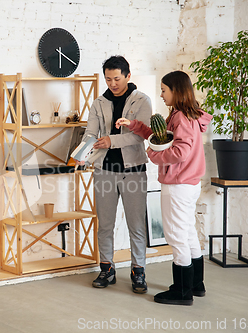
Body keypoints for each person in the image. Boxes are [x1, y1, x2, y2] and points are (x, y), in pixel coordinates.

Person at [116, 70, 212, 306]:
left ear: (176, 91)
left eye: (164, 90)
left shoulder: (180, 117)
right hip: (188, 184)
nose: (161, 94)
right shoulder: (187, 115)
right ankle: (194, 285)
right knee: (188, 233)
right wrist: (136, 125)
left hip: (179, 184)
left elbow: (179, 152)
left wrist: (152, 155)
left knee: (176, 236)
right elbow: (162, 138)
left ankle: (182, 292)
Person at [75, 55, 151, 293]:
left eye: (116, 78)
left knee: (136, 224)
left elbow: (141, 135)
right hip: (104, 170)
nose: (112, 84)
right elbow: (90, 133)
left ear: (128, 76)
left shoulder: (142, 100)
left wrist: (111, 141)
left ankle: (138, 271)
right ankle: (106, 268)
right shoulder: (98, 102)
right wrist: (81, 153)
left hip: (134, 171)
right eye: (108, 79)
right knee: (105, 224)